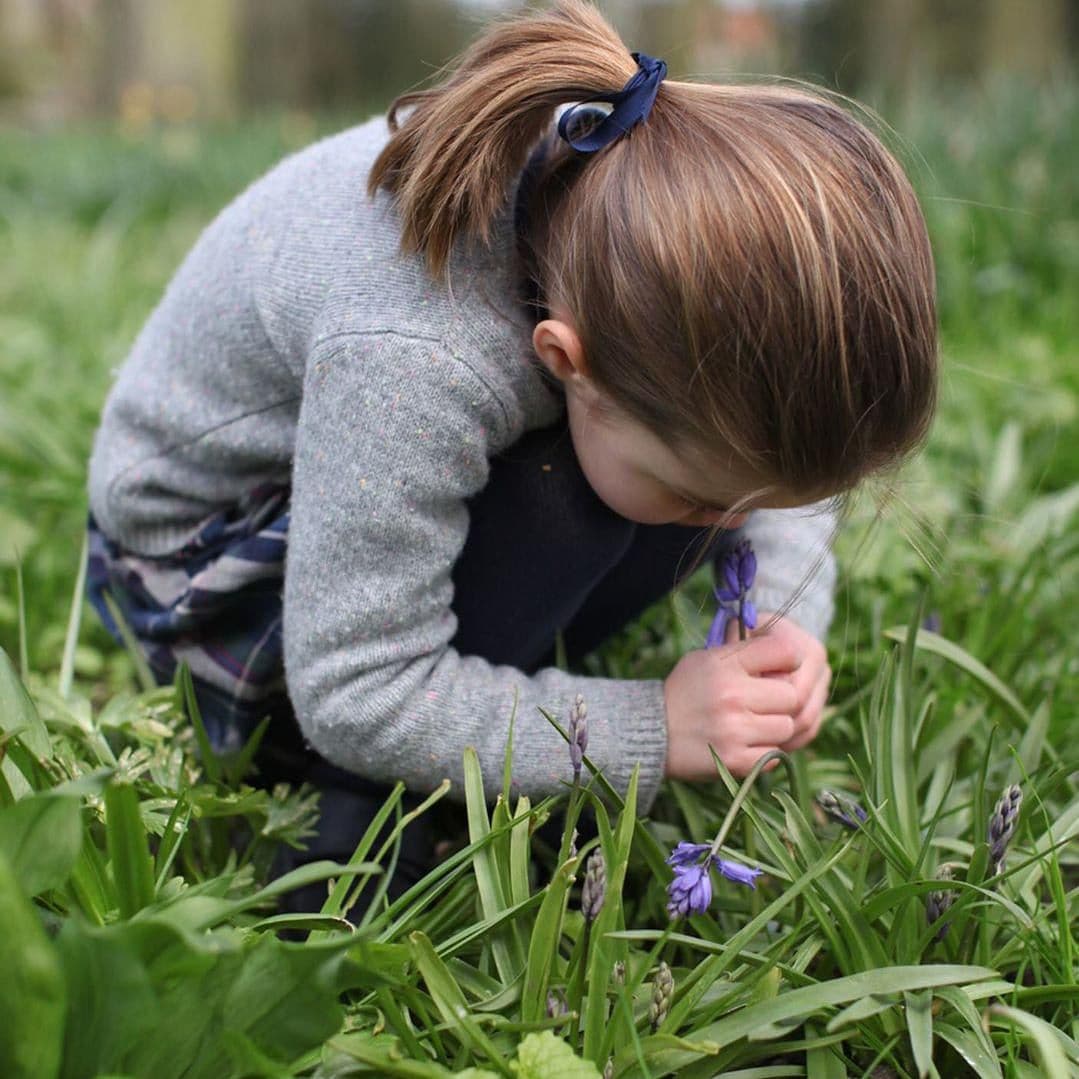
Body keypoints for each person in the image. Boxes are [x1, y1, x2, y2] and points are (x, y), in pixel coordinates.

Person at [85, 0, 937, 910]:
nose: (728, 528)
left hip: (378, 470)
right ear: (565, 361)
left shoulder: (636, 246)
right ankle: (373, 825)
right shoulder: (418, 355)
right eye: (704, 495)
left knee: (642, 491)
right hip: (203, 578)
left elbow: (773, 472)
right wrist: (654, 726)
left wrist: (778, 616)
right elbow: (359, 687)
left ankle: (499, 690)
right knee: (571, 500)